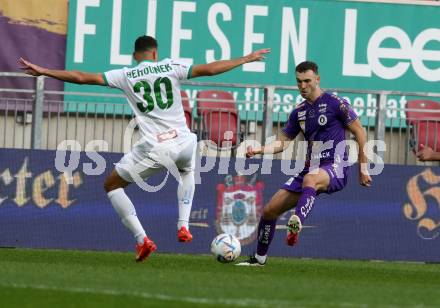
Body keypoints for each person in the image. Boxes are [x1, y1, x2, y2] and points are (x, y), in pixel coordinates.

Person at [19, 35, 270, 262]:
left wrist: (45, 71)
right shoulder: (171, 66)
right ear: (154, 53)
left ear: (135, 54)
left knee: (112, 185)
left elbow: (84, 78)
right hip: (185, 142)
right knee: (186, 171)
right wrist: (246, 58)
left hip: (156, 147)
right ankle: (183, 225)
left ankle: (142, 240)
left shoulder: (126, 75)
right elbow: (210, 69)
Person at [237, 61, 372, 266]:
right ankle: (259, 259)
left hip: (336, 166)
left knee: (311, 178)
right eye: (299, 81)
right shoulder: (299, 112)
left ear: (317, 80)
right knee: (269, 211)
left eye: (307, 81)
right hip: (311, 168)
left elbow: (360, 132)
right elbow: (282, 143)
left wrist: (363, 168)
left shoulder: (336, 103)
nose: (302, 86)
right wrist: (259, 149)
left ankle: (296, 223)